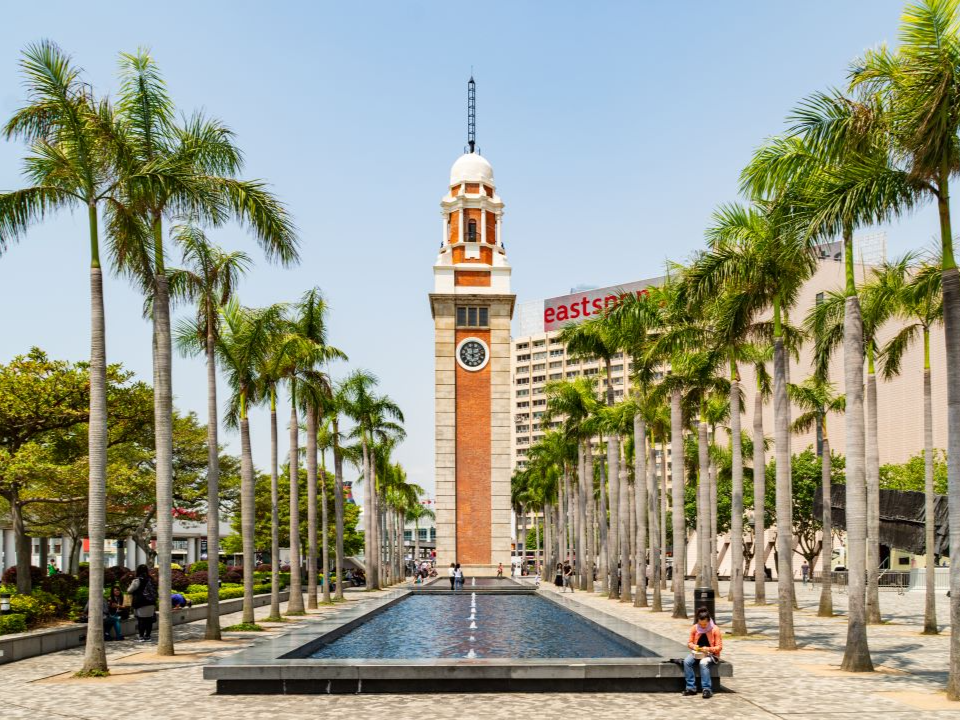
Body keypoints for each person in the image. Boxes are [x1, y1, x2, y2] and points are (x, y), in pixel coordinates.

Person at [682, 606, 722, 699]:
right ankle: (691, 688)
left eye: (705, 624)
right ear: (698, 621)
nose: (703, 626)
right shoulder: (694, 628)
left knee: (703, 663)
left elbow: (719, 647)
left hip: (711, 654)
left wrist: (708, 649)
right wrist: (694, 646)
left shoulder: (715, 629)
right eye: (701, 624)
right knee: (687, 662)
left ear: (709, 621)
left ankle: (707, 689)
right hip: (697, 653)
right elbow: (689, 643)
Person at [127, 564, 157, 643]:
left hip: (141, 602)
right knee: (149, 620)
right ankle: (148, 636)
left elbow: (129, 590)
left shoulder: (137, 580)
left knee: (141, 620)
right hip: (150, 602)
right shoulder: (151, 579)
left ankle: (141, 636)